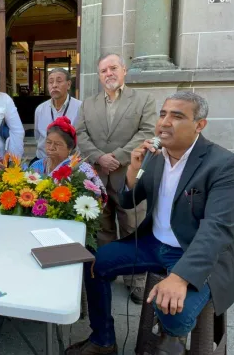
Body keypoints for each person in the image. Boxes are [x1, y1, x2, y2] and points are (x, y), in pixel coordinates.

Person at [66, 92, 234, 355]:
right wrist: (130, 172)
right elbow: (129, 201)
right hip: (153, 243)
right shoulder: (155, 156)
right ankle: (103, 340)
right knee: (95, 263)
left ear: (199, 125)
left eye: (177, 116)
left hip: (192, 251)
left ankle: (171, 342)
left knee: (172, 310)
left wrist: (181, 276)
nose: (165, 122)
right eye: (163, 114)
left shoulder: (223, 164)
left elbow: (218, 228)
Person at [76, 53, 156, 301]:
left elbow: (148, 132)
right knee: (103, 227)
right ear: (99, 76)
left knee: (133, 226)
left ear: (124, 70)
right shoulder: (88, 104)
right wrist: (99, 157)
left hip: (129, 175)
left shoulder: (144, 100)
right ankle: (108, 269)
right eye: (103, 71)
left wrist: (118, 157)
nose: (108, 74)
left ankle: (137, 279)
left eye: (113, 68)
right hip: (98, 175)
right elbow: (80, 134)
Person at [29, 116, 104, 198]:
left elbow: (98, 197)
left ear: (70, 148)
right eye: (48, 142)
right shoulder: (36, 166)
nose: (51, 147)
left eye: (57, 144)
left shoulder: (82, 169)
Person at [33, 68, 82, 163]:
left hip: (70, 164)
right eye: (50, 82)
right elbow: (38, 137)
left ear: (68, 84)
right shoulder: (40, 109)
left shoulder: (80, 107)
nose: (54, 85)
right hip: (43, 162)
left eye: (59, 81)